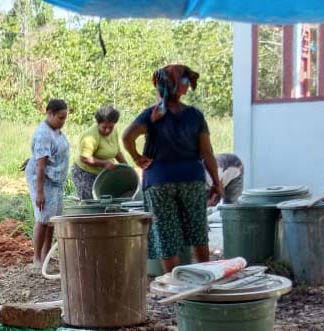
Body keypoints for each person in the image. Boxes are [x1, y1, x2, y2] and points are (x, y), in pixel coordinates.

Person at [122, 64, 223, 273]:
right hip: (191, 180)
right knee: (198, 233)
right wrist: (216, 183)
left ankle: (174, 285)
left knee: (167, 236)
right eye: (185, 83)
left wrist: (137, 158)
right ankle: (207, 283)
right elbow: (207, 153)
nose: (187, 87)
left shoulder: (150, 115)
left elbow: (127, 137)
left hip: (159, 182)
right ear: (178, 86)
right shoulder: (194, 116)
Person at [25, 99, 70, 269]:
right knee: (43, 218)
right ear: (49, 113)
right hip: (43, 179)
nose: (62, 121)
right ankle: (37, 259)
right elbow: (41, 165)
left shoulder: (56, 130)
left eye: (65, 118)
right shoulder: (43, 134)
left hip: (56, 180)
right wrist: (40, 192)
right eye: (60, 117)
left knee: (52, 220)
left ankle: (46, 256)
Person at [71, 105, 128, 200]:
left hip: (103, 172)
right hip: (85, 173)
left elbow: (117, 152)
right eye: (104, 127)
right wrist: (104, 163)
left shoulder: (114, 132)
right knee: (91, 202)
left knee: (106, 200)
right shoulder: (90, 136)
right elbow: (84, 157)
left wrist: (127, 167)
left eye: (111, 127)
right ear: (98, 123)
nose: (107, 130)